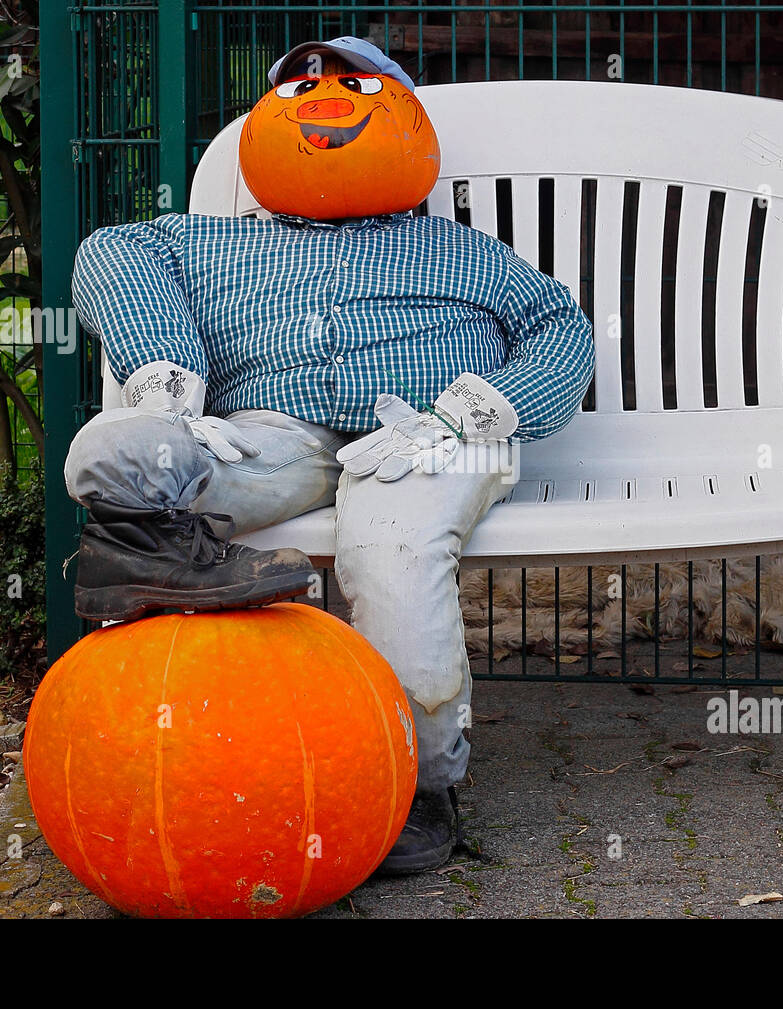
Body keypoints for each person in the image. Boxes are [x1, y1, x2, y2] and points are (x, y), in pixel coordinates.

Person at [64, 36, 594, 875]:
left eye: (352, 83)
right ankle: (157, 553)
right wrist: (169, 378)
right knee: (117, 454)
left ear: (403, 117)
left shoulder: (461, 252)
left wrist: (477, 411)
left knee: (390, 545)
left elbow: (558, 328)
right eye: (303, 85)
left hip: (425, 434)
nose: (325, 97)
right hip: (273, 432)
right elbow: (110, 251)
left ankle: (416, 781)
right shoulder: (208, 241)